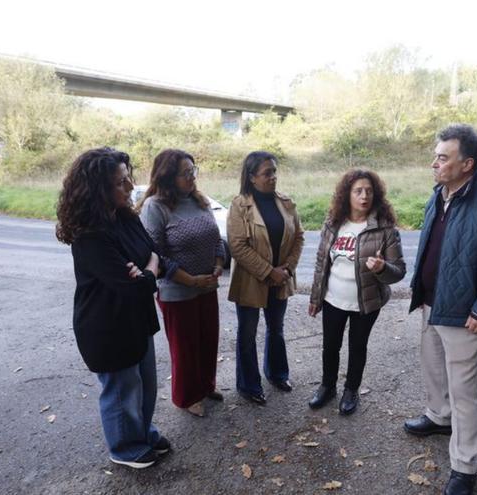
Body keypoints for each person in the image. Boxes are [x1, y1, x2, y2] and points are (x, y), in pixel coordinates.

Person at [403, 125, 477, 495]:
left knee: (464, 391)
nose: (434, 163)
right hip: (430, 302)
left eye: (443, 157)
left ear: (467, 163)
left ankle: (465, 466)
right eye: (436, 156)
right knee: (434, 371)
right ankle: (440, 418)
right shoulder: (438, 194)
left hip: (465, 311)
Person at [55, 147, 170, 469]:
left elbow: (154, 251)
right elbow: (133, 285)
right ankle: (124, 447)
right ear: (98, 190)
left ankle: (143, 432)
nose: (130, 185)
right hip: (107, 327)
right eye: (120, 182)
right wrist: (148, 271)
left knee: (146, 385)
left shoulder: (124, 216)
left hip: (136, 319)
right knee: (121, 392)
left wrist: (146, 267)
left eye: (128, 177)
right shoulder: (89, 236)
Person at [307, 169, 405, 415]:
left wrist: (382, 268)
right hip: (333, 300)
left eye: (369, 191)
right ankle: (328, 386)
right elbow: (321, 264)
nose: (364, 196)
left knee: (357, 346)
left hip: (366, 303)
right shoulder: (333, 224)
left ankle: (351, 390)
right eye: (358, 191)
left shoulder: (385, 230)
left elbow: (399, 271)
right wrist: (315, 298)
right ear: (346, 194)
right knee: (330, 346)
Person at [139, 149, 225, 418]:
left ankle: (206, 385)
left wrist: (219, 264)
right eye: (185, 173)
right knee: (185, 346)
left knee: (208, 339)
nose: (191, 177)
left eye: (193, 171)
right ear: (167, 176)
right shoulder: (156, 207)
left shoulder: (200, 201)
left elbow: (216, 238)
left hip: (207, 286)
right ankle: (187, 396)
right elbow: (154, 253)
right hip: (177, 290)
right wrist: (189, 280)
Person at [227, 151, 304, 405]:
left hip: (281, 279)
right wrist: (268, 271)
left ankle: (278, 374)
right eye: (267, 173)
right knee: (247, 334)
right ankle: (248, 385)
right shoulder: (240, 205)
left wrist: (287, 270)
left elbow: (298, 237)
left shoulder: (285, 202)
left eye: (274, 171)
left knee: (276, 329)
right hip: (251, 280)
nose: (273, 177)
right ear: (252, 177)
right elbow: (237, 247)